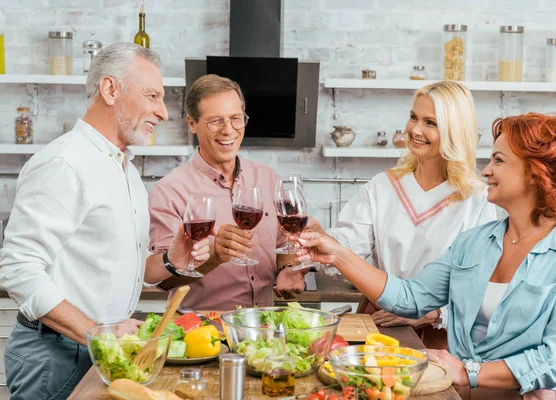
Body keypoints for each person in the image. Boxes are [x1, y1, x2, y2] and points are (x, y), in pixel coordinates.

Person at [294, 113, 556, 399]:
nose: (486, 170)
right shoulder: (475, 242)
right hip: (452, 390)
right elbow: (411, 297)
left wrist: (469, 372)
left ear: (536, 174)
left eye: (498, 160)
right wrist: (336, 254)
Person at [0, 43, 210, 400]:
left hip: (100, 349)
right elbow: (18, 269)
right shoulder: (64, 163)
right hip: (58, 354)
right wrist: (101, 334)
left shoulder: (122, 168)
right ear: (110, 90)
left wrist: (171, 259)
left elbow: (114, 269)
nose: (163, 112)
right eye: (153, 96)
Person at [309, 81, 496, 339]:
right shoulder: (382, 186)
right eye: (413, 117)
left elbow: (481, 288)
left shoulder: (477, 199)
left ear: (454, 130)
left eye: (430, 122)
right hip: (379, 322)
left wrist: (431, 313)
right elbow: (350, 244)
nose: (415, 129)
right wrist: (323, 240)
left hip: (438, 334)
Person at [144, 74, 306, 310]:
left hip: (263, 325)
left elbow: (285, 244)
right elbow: (165, 280)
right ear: (192, 123)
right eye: (216, 121)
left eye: (236, 119)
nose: (228, 130)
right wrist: (215, 257)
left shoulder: (268, 178)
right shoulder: (170, 190)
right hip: (204, 331)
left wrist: (286, 269)